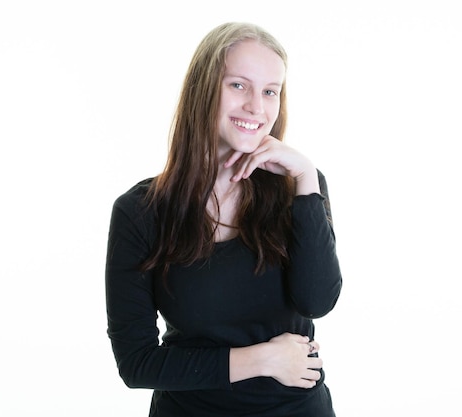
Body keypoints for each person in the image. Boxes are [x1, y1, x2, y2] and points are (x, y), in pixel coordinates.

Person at [105, 22, 343, 416]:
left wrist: (305, 179)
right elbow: (137, 363)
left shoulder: (299, 190)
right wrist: (263, 359)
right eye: (238, 85)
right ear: (203, 90)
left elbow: (316, 301)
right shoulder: (140, 213)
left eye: (270, 92)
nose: (257, 106)